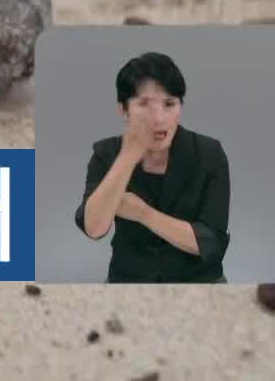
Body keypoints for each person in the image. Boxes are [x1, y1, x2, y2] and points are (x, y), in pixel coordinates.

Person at [73, 52, 231, 282]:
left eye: (169, 104)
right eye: (144, 104)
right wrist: (128, 156)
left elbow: (210, 242)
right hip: (128, 280)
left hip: (198, 281)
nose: (158, 118)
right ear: (123, 110)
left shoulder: (209, 153)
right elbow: (94, 227)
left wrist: (142, 213)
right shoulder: (106, 154)